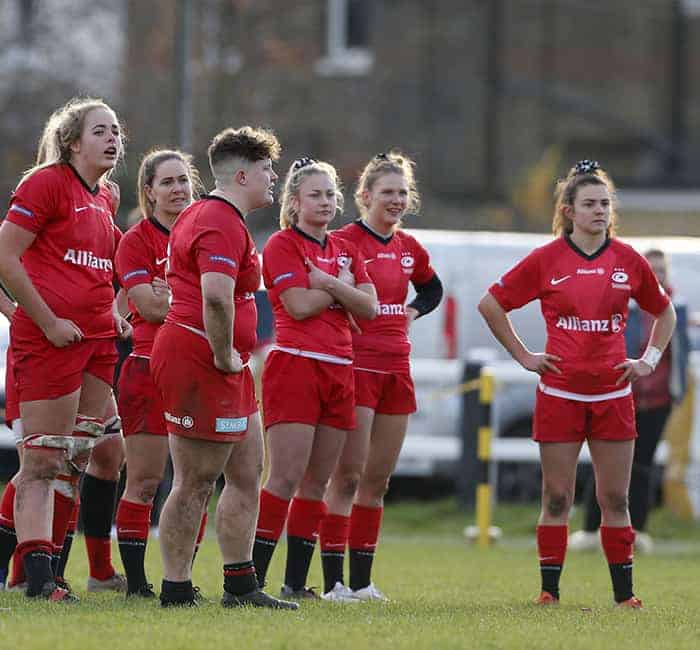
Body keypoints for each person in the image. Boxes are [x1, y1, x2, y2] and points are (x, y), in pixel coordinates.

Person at [477, 160, 676, 609]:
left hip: (612, 395)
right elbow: (491, 303)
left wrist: (649, 359)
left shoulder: (628, 260)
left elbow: (664, 313)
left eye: (605, 203)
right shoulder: (547, 259)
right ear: (568, 210)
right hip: (560, 394)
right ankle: (549, 591)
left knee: (615, 497)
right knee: (557, 496)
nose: (599, 211)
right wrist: (524, 355)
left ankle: (625, 596)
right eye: (589, 204)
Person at [150, 126, 296, 610]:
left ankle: (240, 584)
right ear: (241, 174)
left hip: (226, 363)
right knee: (194, 481)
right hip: (201, 357)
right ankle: (175, 587)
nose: (273, 179)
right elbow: (215, 295)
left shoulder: (225, 217)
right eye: (266, 171)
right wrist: (219, 354)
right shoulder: (218, 220)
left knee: (247, 470)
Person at [0, 97, 131, 602]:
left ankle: (48, 570)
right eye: (100, 131)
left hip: (98, 344)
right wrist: (45, 319)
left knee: (75, 458)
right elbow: (6, 254)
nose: (113, 138)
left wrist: (117, 312)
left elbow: (101, 268)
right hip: (52, 340)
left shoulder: (102, 199)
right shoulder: (46, 182)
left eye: (117, 130)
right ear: (73, 141)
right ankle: (35, 579)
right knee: (42, 459)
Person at [251, 158, 378, 602]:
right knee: (283, 477)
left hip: (340, 368)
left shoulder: (346, 249)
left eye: (330, 195)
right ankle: (252, 581)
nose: (324, 202)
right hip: (296, 365)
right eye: (315, 195)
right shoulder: (283, 244)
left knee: (317, 483)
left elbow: (369, 308)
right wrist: (339, 289)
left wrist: (328, 283)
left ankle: (296, 583)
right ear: (294, 202)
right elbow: (299, 306)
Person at [319, 152, 443, 601]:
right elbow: (323, 292)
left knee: (377, 482)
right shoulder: (343, 241)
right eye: (387, 192)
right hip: (355, 368)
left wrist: (411, 311)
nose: (395, 200)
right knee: (346, 478)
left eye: (402, 192)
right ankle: (333, 583)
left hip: (397, 369)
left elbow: (433, 287)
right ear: (365, 196)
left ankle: (362, 581)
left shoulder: (410, 248)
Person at [114, 149, 205, 597]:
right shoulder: (134, 241)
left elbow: (231, 301)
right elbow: (148, 308)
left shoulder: (207, 235)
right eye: (167, 182)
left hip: (198, 373)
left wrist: (171, 297)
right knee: (146, 481)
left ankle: (182, 576)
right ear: (149, 192)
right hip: (148, 368)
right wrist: (179, 301)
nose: (178, 190)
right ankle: (135, 584)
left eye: (184, 180)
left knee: (198, 482)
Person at [570, 248, 690, 553]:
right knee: (606, 463)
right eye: (652, 270)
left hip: (659, 401)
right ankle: (590, 530)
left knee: (643, 467)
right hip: (620, 396)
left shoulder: (676, 308)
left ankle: (638, 530)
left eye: (662, 270)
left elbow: (681, 351)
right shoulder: (622, 305)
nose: (658, 275)